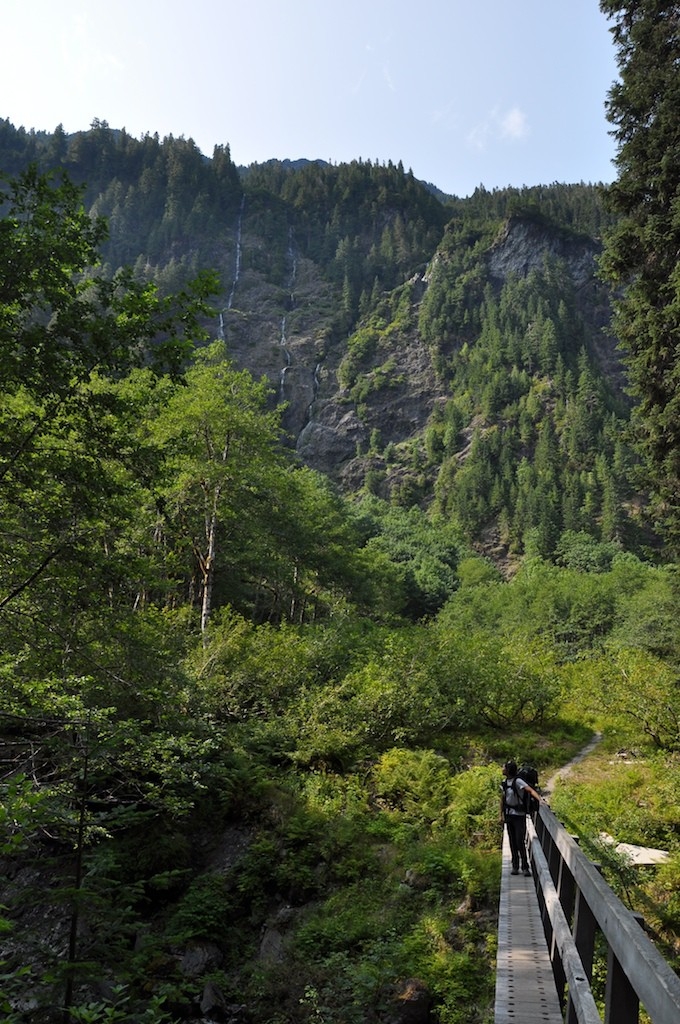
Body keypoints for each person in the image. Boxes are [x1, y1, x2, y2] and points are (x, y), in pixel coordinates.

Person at [499, 760, 544, 876]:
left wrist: (540, 800)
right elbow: (503, 799)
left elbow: (530, 790)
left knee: (519, 841)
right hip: (509, 815)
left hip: (519, 816)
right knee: (512, 842)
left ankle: (525, 867)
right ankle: (515, 866)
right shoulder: (505, 783)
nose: (502, 769)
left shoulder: (518, 781)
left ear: (508, 770)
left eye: (504, 767)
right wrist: (501, 815)